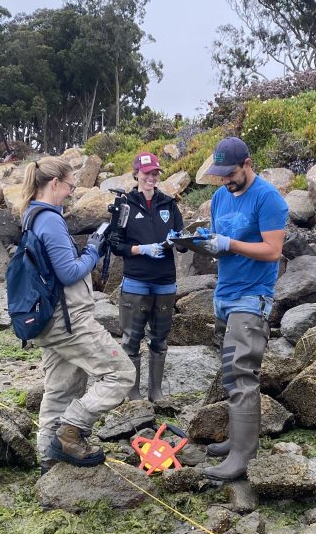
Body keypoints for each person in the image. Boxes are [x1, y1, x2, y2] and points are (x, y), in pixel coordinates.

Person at [19, 156, 136, 469]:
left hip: (47, 321)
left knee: (61, 390)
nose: (71, 192)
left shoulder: (31, 215)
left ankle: (48, 462)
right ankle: (70, 433)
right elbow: (69, 273)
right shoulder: (50, 220)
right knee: (122, 374)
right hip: (68, 321)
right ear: (54, 183)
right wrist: (93, 249)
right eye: (70, 186)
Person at [197, 137, 289, 481]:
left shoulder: (268, 199)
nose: (225, 179)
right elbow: (224, 247)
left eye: (231, 173)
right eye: (220, 174)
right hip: (224, 294)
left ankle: (243, 456)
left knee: (241, 374)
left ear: (248, 163)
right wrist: (208, 243)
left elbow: (272, 250)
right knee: (228, 370)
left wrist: (230, 243)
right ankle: (237, 438)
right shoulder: (220, 197)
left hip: (253, 297)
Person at [108, 151, 184, 401]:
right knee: (131, 340)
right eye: (146, 172)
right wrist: (141, 249)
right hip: (135, 282)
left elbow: (182, 241)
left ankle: (156, 391)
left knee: (160, 339)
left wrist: (185, 241)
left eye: (155, 173)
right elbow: (115, 244)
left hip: (165, 283)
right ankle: (133, 393)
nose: (150, 177)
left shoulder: (169, 204)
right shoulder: (125, 204)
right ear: (136, 173)